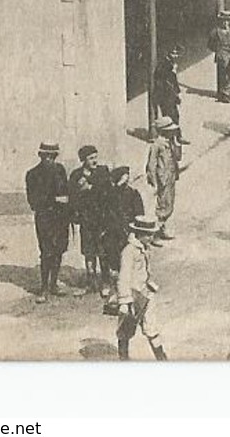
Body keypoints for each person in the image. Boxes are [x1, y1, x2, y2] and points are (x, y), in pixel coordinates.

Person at [24, 141, 70, 300]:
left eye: (53, 156)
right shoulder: (32, 174)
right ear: (40, 156)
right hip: (44, 217)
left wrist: (65, 201)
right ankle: (43, 288)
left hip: (61, 217)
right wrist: (55, 200)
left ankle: (54, 284)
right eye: (46, 156)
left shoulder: (60, 170)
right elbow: (33, 201)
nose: (49, 159)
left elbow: (66, 191)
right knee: (46, 251)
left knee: (59, 250)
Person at [116, 215, 167, 360]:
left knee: (152, 327)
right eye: (149, 234)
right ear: (140, 234)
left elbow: (145, 271)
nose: (151, 237)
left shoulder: (145, 248)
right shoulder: (129, 251)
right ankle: (123, 359)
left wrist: (150, 284)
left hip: (146, 295)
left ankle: (162, 359)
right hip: (132, 297)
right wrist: (124, 302)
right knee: (125, 330)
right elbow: (123, 277)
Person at [99, 166, 141, 314]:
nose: (126, 179)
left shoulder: (133, 194)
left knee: (128, 264)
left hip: (127, 233)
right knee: (113, 263)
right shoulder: (109, 194)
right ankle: (115, 294)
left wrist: (134, 232)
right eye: (124, 176)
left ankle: (127, 295)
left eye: (127, 176)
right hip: (112, 234)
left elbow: (139, 215)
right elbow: (104, 212)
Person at [69, 144, 111, 295]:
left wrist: (90, 188)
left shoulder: (102, 171)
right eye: (91, 158)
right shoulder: (75, 175)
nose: (95, 161)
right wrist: (79, 192)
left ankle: (105, 282)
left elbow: (107, 191)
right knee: (88, 251)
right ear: (83, 160)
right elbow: (71, 197)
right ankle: (91, 281)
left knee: (103, 251)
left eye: (95, 157)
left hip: (102, 219)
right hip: (86, 220)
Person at [144, 118, 180, 243]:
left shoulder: (169, 142)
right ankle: (154, 234)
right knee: (162, 205)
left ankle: (162, 228)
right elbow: (151, 164)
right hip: (162, 178)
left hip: (170, 176)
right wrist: (153, 179)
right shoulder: (157, 144)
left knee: (169, 202)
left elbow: (177, 157)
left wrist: (176, 143)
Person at [150, 46, 183, 132]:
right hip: (166, 94)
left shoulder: (170, 62)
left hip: (170, 93)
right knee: (170, 117)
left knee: (175, 115)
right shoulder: (164, 63)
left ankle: (177, 135)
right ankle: (173, 136)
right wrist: (173, 71)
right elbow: (166, 77)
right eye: (174, 54)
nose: (176, 56)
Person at [208, 9, 230, 102]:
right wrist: (218, 51)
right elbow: (210, 44)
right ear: (221, 21)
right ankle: (224, 94)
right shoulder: (216, 31)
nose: (225, 23)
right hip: (222, 54)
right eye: (224, 21)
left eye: (227, 21)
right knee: (224, 74)